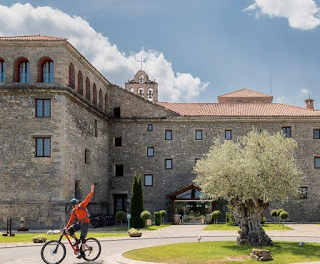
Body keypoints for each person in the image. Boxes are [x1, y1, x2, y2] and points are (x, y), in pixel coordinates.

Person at [65, 184, 94, 259]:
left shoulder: (83, 205)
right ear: (73, 205)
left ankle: (83, 253)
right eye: (76, 204)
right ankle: (77, 240)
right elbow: (71, 220)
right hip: (80, 223)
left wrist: (91, 191)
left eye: (78, 203)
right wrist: (66, 227)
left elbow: (87, 198)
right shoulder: (74, 211)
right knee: (70, 230)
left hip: (86, 223)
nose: (77, 204)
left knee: (83, 238)